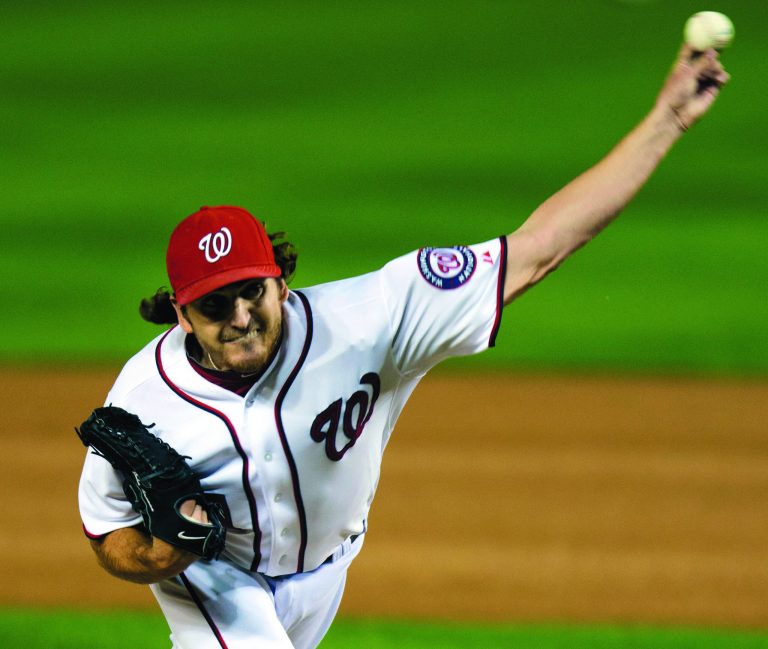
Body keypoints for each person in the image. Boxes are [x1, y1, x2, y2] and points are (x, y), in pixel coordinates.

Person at [78, 44, 728, 648]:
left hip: (331, 568)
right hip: (220, 583)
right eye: (215, 304)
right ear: (181, 313)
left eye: (253, 291)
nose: (242, 315)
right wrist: (168, 551)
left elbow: (538, 248)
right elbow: (109, 536)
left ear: (280, 278)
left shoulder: (373, 317)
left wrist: (666, 119)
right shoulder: (144, 399)